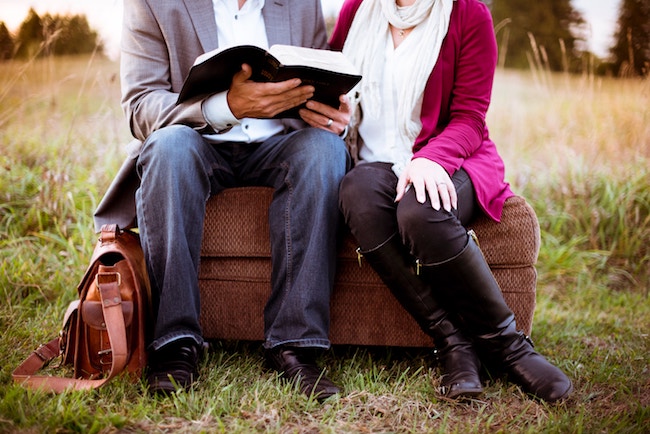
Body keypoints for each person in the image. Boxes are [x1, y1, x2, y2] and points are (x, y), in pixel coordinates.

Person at [93, 0, 351, 400]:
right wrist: (227, 107)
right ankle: (176, 343)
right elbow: (140, 106)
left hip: (280, 143)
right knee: (168, 148)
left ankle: (295, 345)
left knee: (325, 151)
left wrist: (330, 110)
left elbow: (319, 80)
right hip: (196, 140)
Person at [329, 0, 573, 402]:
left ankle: (508, 345)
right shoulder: (356, 11)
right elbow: (331, 86)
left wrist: (429, 159)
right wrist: (325, 113)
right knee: (355, 192)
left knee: (421, 210)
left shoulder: (467, 13)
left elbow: (470, 115)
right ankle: (454, 343)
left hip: (451, 157)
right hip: (373, 163)